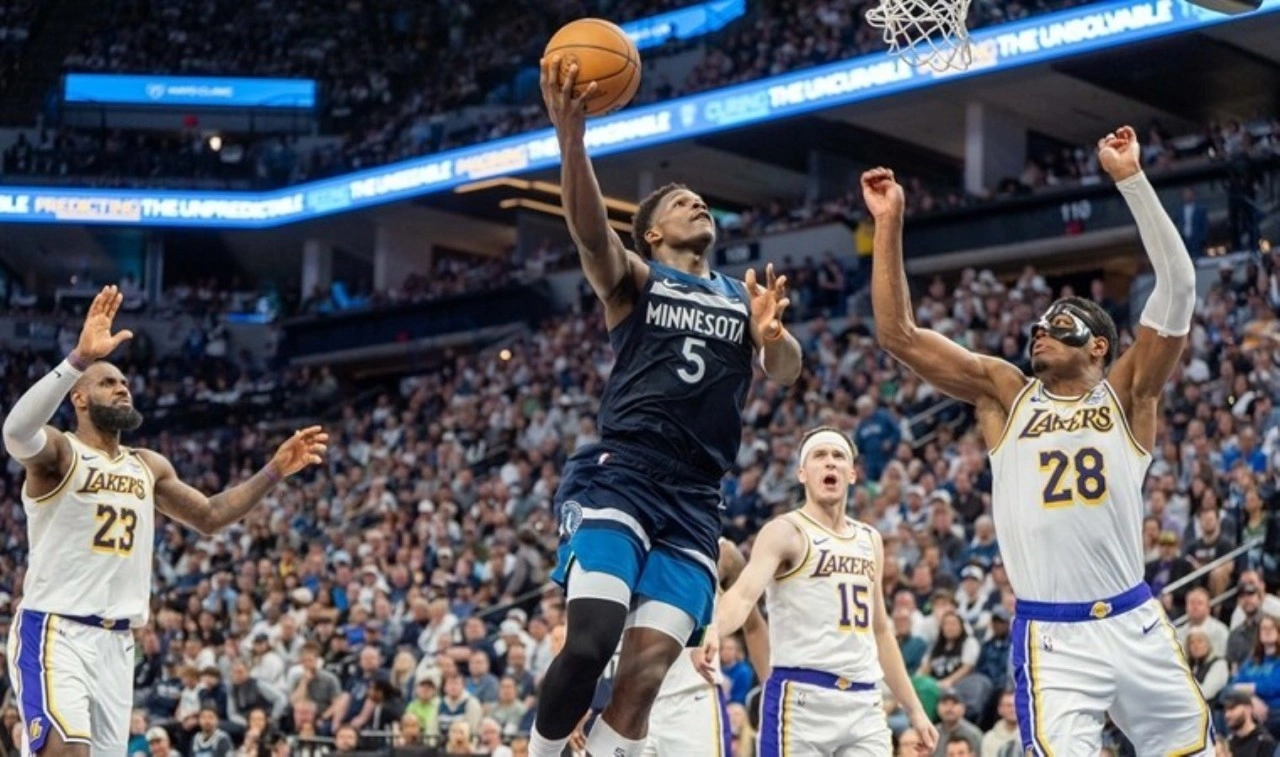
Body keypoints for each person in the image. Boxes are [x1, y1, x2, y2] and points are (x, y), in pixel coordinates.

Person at [865, 125, 1212, 755]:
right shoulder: (1006, 394)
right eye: (1039, 324)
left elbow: (1180, 285)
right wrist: (889, 224)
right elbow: (899, 335)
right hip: (1053, 636)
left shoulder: (1128, 393)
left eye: (1060, 322)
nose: (1040, 329)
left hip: (1133, 618)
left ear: (1099, 346)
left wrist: (1131, 180)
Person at [530, 51, 802, 757]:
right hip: (624, 471)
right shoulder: (637, 280)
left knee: (645, 676)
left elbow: (786, 372)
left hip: (696, 495)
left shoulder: (743, 299)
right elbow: (590, 232)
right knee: (591, 641)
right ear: (651, 233)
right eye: (680, 202)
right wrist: (572, 139)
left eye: (701, 201)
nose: (697, 204)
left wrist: (773, 336)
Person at [1, 285, 328, 757]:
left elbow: (211, 516)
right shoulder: (60, 452)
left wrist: (274, 471)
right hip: (56, 630)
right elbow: (15, 432)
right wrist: (78, 358)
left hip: (117, 644)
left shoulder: (148, 465)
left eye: (124, 382)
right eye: (107, 382)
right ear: (80, 399)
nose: (122, 387)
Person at [696, 426, 938, 755]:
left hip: (864, 701)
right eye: (819, 455)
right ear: (802, 473)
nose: (830, 462)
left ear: (852, 474)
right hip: (802, 698)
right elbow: (742, 595)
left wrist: (915, 710)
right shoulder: (785, 531)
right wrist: (714, 628)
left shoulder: (870, 540)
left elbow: (881, 630)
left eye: (838, 456)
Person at [641, 539, 769, 757]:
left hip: (693, 700)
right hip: (635, 700)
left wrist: (771, 688)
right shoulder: (628, 542)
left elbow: (754, 626)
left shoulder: (722, 551)